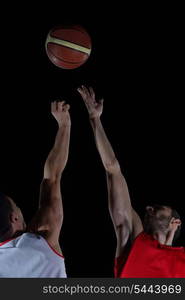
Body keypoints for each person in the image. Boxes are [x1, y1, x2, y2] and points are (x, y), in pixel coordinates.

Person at [77, 85, 185, 278]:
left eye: (158, 207)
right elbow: (112, 169)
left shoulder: (181, 261)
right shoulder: (134, 239)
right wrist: (95, 119)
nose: (149, 207)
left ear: (175, 222)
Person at [0, 101, 71, 277]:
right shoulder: (41, 241)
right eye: (17, 205)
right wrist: (64, 124)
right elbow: (52, 177)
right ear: (13, 217)